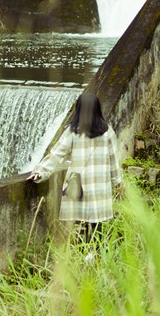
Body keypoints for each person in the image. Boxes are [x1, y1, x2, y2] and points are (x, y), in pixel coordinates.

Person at [27, 91, 123, 260]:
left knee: (79, 223)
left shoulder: (73, 132)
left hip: (78, 186)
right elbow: (114, 159)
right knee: (97, 223)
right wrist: (117, 181)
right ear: (97, 110)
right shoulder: (108, 133)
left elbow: (56, 155)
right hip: (100, 187)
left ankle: (81, 257)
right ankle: (96, 258)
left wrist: (40, 172)